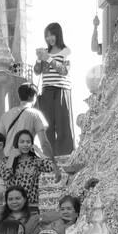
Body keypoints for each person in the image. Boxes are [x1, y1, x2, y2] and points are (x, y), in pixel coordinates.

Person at [33, 22, 74, 157]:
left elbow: (64, 71)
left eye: (52, 35)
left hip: (62, 90)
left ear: (58, 35)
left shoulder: (66, 51)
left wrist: (49, 59)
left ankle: (66, 154)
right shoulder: (45, 52)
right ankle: (50, 155)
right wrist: (39, 59)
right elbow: (37, 72)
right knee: (48, 125)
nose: (49, 38)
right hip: (47, 91)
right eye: (47, 36)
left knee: (63, 124)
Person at [7, 131, 60, 215]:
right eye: (22, 142)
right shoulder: (8, 161)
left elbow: (51, 167)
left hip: (31, 206)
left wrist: (39, 151)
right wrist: (12, 157)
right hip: (13, 205)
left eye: (28, 142)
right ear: (16, 143)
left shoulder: (36, 161)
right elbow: (5, 175)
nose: (25, 145)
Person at [0, 85, 50, 165]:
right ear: (32, 97)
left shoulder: (6, 115)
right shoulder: (35, 114)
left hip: (8, 160)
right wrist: (52, 163)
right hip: (26, 161)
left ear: (19, 97)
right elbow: (44, 143)